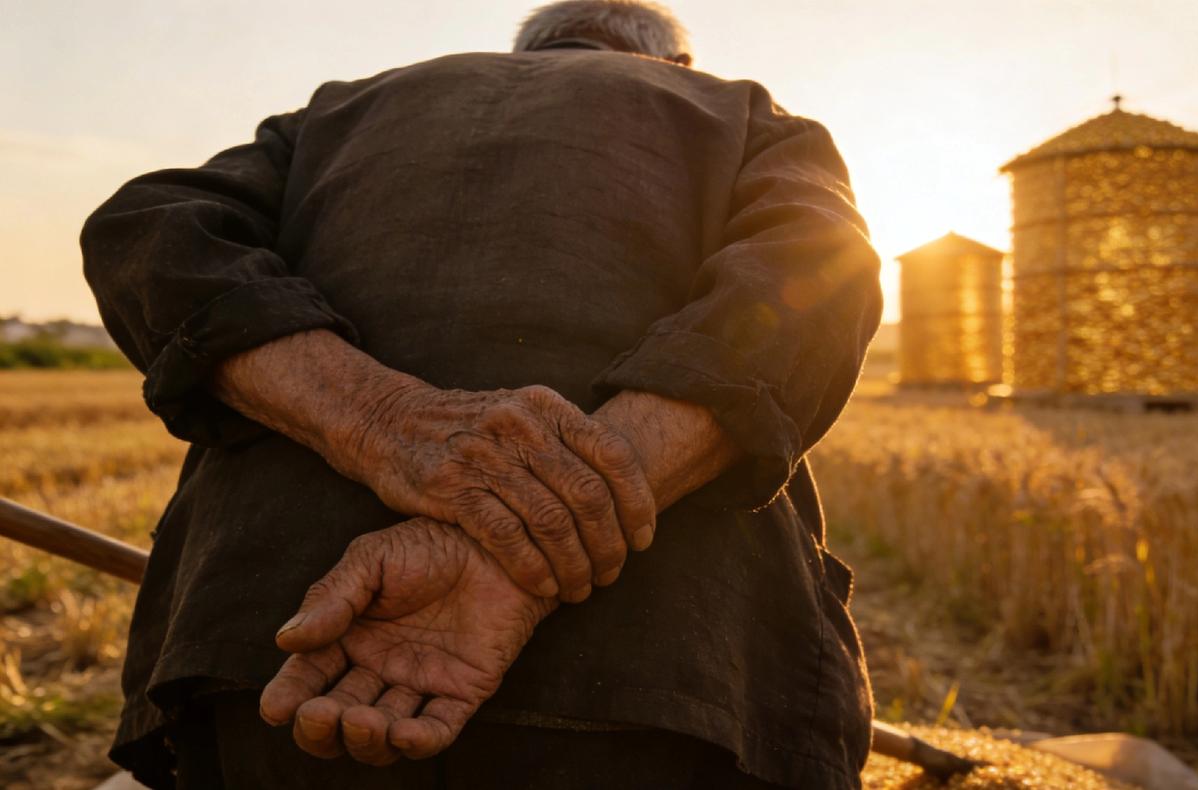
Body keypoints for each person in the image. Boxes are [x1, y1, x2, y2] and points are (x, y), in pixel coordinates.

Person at [81, 1, 883, 787]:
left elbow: (149, 226)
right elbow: (813, 277)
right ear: (675, 64)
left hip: (280, 650)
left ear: (522, 52)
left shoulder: (337, 112)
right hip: (678, 669)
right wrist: (523, 504)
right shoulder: (741, 111)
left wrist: (381, 424)